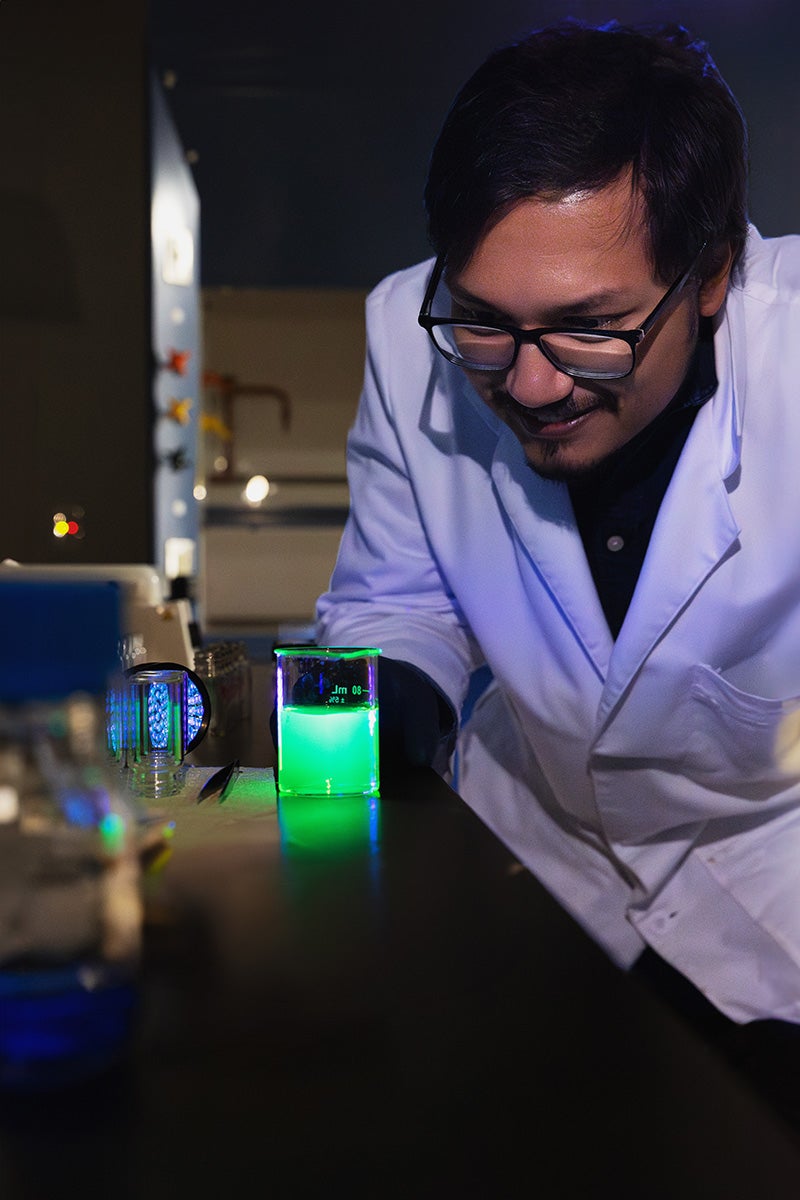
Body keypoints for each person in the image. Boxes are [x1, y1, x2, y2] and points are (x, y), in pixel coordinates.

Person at [313, 18, 800, 1114]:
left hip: (768, 872)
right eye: (484, 323)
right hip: (525, 856)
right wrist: (357, 750)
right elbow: (392, 601)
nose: (530, 386)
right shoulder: (404, 329)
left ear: (711, 274)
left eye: (591, 329)